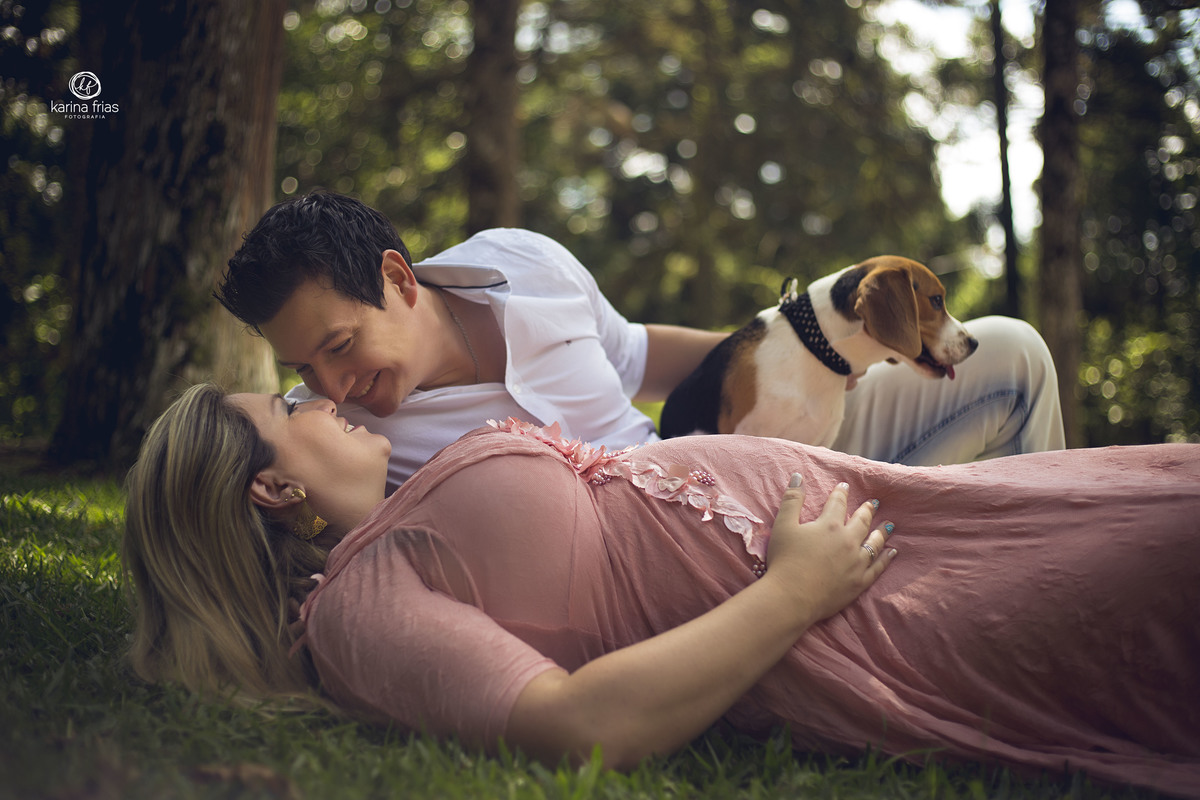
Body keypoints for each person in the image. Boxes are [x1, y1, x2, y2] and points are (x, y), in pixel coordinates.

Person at [123, 384, 1200, 796]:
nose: (314, 391)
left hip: (892, 512)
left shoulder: (404, 510)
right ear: (273, 484)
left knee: (1158, 485)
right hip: (863, 613)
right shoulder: (358, 610)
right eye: (284, 399)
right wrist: (792, 591)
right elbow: (570, 728)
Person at [215, 192, 1066, 491]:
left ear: (399, 281)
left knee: (1011, 353)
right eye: (303, 368)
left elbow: (634, 355)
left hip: (750, 439)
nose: (328, 384)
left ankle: (1047, 554)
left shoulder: (522, 262)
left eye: (339, 345)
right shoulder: (338, 439)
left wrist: (808, 359)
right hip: (698, 534)